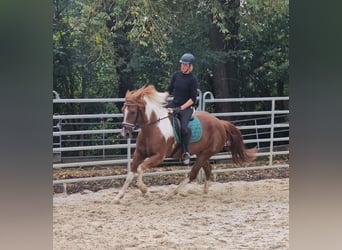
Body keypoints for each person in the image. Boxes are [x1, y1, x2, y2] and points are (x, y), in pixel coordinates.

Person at [165, 53, 198, 165]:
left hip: (186, 107)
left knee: (184, 128)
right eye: (182, 64)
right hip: (174, 104)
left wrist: (181, 108)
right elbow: (169, 90)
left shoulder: (193, 79)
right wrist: (161, 100)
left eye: (185, 64)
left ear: (190, 66)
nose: (183, 66)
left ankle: (186, 152)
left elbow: (193, 99)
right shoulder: (176, 75)